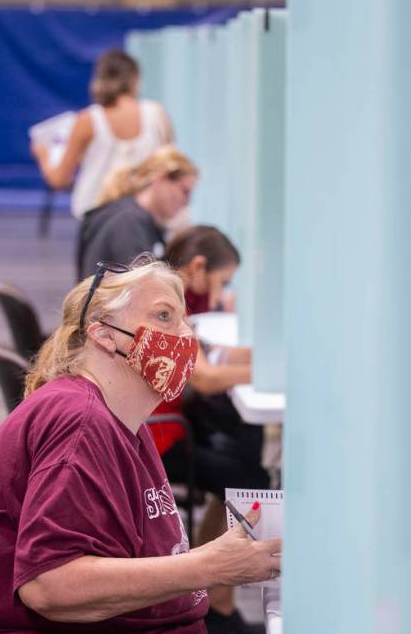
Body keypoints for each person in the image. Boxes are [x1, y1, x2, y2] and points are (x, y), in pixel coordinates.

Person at [0, 258, 280, 633]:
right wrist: (209, 566)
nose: (185, 337)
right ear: (105, 334)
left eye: (184, 320)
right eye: (164, 317)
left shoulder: (125, 424)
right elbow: (49, 584)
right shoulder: (79, 421)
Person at [158, 226, 268, 634]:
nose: (221, 292)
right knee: (248, 477)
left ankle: (212, 596)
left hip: (163, 424)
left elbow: (209, 355)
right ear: (198, 267)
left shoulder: (163, 291)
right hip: (156, 437)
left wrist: (266, 356)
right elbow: (203, 377)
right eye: (222, 281)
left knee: (241, 462)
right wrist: (277, 372)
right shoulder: (166, 303)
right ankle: (214, 603)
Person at [32, 49, 173, 220]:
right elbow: (170, 164)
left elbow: (59, 179)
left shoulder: (87, 121)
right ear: (135, 80)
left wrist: (42, 153)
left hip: (97, 216)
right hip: (146, 217)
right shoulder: (157, 113)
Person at [76, 145, 197, 281]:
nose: (186, 202)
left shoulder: (129, 217)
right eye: (185, 191)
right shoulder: (129, 224)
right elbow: (143, 288)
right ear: (160, 179)